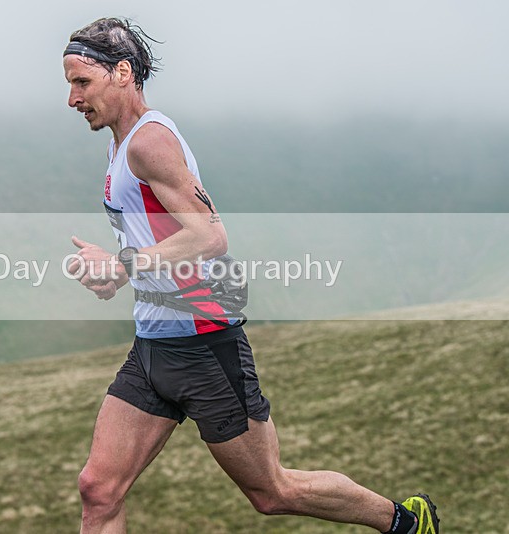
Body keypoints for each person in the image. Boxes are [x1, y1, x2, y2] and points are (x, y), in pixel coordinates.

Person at [63, 17, 439, 534]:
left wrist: (123, 265)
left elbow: (210, 236)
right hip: (153, 345)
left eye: (81, 82)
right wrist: (116, 272)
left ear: (122, 72)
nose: (72, 98)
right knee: (98, 490)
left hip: (205, 345)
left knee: (271, 491)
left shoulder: (149, 143)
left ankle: (404, 522)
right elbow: (160, 238)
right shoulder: (122, 145)